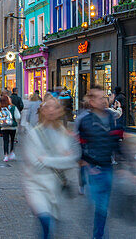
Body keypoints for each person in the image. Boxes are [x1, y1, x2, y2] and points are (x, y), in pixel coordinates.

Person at [21, 99, 80, 239]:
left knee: (53, 227)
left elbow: (72, 160)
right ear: (43, 110)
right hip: (36, 186)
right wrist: (61, 159)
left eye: (55, 107)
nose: (51, 110)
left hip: (56, 187)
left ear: (60, 111)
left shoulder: (65, 134)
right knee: (46, 222)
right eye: (48, 107)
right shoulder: (33, 134)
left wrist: (46, 159)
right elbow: (34, 162)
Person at [76, 86, 123, 239]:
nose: (104, 100)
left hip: (107, 166)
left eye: (105, 97)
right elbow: (79, 143)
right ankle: (99, 235)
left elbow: (115, 140)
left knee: (103, 207)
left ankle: (98, 233)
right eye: (100, 97)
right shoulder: (84, 120)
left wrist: (123, 163)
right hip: (94, 169)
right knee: (101, 207)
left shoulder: (110, 117)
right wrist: (83, 161)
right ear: (91, 101)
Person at [0, 95, 22, 162]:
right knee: (12, 140)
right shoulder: (13, 107)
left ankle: (6, 155)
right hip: (12, 126)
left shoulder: (0, 108)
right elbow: (18, 116)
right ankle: (12, 152)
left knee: (5, 141)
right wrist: (16, 122)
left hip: (4, 127)